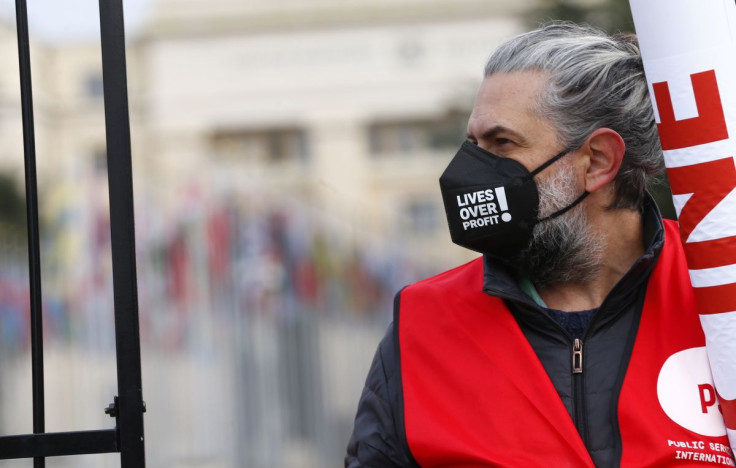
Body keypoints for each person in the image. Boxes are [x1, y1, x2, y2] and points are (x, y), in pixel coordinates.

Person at [345, 22, 735, 467]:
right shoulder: (423, 323)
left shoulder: (717, 291)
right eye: (473, 143)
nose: (470, 171)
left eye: (502, 143)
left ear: (599, 161)